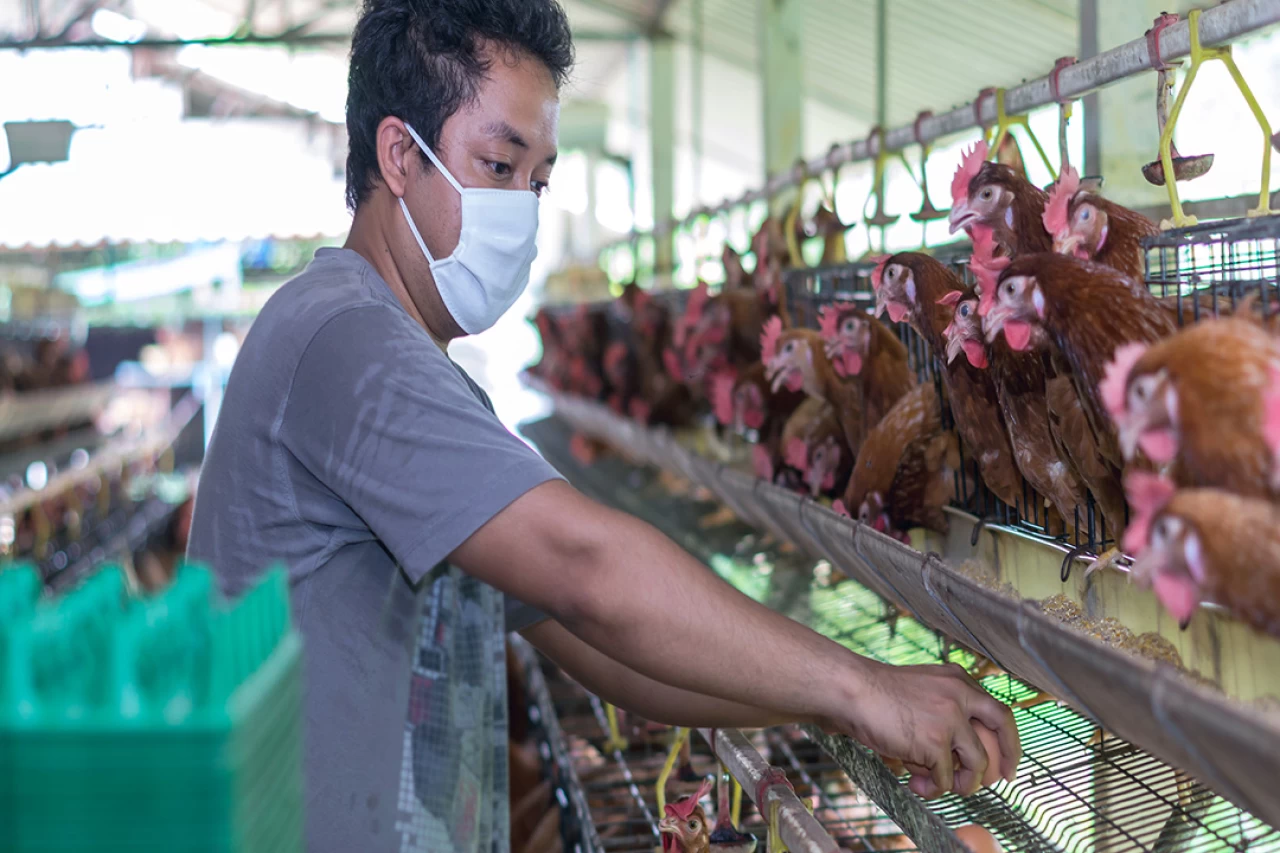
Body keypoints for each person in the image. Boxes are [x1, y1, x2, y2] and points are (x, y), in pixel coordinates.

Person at [186, 1, 1021, 851]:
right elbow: (587, 569)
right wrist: (858, 685)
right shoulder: (345, 338)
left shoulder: (420, 371)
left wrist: (842, 702)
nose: (524, 208)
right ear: (401, 156)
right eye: (500, 164)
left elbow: (608, 650)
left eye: (538, 180)